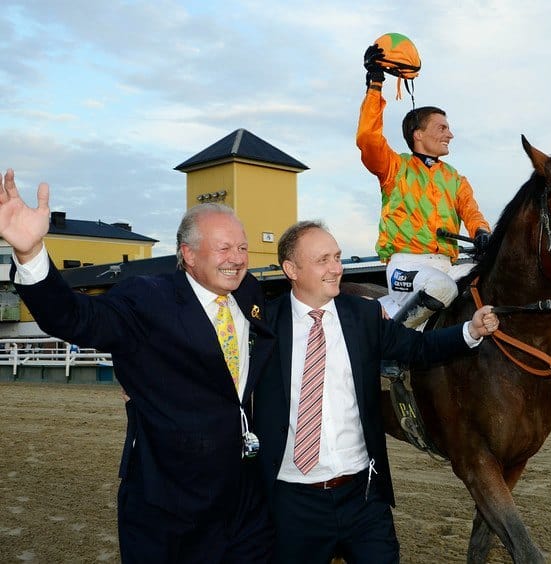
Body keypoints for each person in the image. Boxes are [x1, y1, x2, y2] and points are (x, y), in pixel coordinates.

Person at [0, 169, 275, 562]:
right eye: (224, 248)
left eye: (243, 248)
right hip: (171, 505)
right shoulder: (147, 298)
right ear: (188, 254)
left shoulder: (251, 292)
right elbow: (77, 318)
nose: (237, 259)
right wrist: (30, 254)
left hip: (248, 502)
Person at [252, 220, 499, 563]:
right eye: (323, 260)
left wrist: (469, 331)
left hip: (363, 498)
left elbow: (419, 348)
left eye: (337, 257)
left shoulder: (364, 314)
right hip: (292, 504)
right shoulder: (262, 326)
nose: (336, 268)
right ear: (291, 269)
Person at [356, 43, 492, 329]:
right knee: (441, 288)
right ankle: (393, 343)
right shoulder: (394, 167)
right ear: (419, 135)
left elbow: (472, 213)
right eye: (442, 128)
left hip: (446, 267)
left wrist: (481, 233)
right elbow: (368, 138)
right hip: (406, 267)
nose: (450, 134)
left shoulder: (455, 178)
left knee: (494, 278)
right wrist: (375, 84)